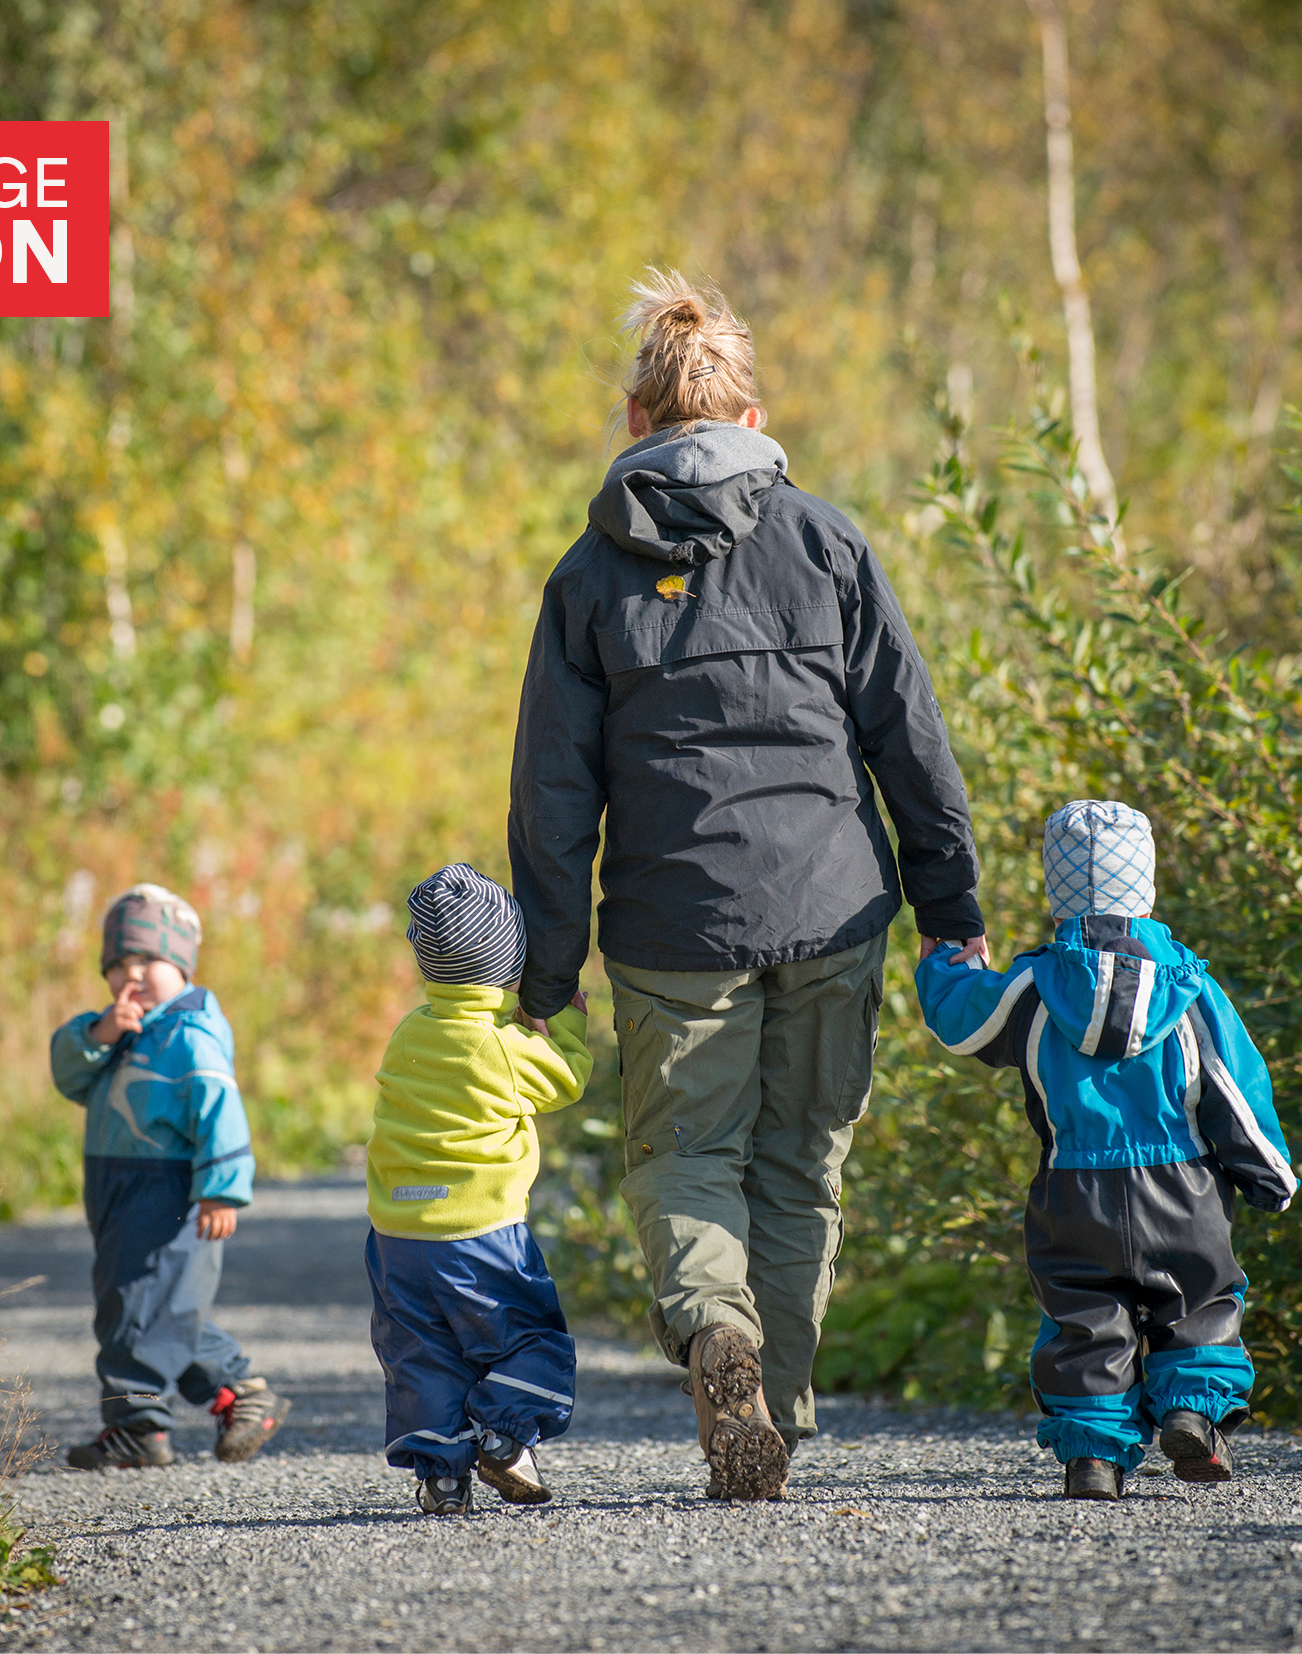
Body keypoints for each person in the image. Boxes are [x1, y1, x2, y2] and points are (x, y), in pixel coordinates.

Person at [508, 270, 985, 1500]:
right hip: (830, 905)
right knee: (801, 1157)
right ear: (754, 419)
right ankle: (771, 1400)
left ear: (633, 424)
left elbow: (552, 796)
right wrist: (954, 912)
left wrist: (546, 974)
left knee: (684, 1156)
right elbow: (907, 736)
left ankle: (717, 1336)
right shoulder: (825, 541)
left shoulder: (585, 574)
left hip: (674, 924)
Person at [914, 800, 1297, 1500]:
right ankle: (1191, 1413)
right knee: (1198, 1300)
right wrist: (1268, 1172)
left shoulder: (1034, 988)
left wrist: (944, 962)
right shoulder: (1188, 987)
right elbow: (1235, 1088)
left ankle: (1093, 1457)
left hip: (1073, 1191)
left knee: (1086, 1315)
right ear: (1144, 886)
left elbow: (960, 1022)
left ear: (1056, 894)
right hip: (1181, 1185)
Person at [366, 864, 594, 1515]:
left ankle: (441, 1474)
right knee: (529, 1339)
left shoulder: (409, 1031)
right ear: (510, 962)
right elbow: (567, 1079)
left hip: (397, 1240)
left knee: (423, 1355)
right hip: (479, 1233)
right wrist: (566, 1022)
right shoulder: (501, 1045)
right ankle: (502, 1431)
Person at [49, 883, 294, 1469]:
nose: (130, 977)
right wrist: (99, 1034)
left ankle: (139, 1424)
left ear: (180, 966)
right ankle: (240, 1393)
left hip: (170, 1194)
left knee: (140, 1310)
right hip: (116, 1191)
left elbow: (219, 1110)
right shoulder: (124, 1031)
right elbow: (69, 1077)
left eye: (146, 962)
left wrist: (220, 1190)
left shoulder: (189, 1034)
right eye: (117, 965)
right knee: (151, 1309)